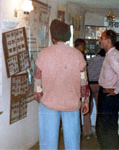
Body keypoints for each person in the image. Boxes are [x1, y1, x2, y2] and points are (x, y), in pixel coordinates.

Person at [33, 19, 90, 150]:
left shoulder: (43, 54)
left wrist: (40, 97)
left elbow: (37, 83)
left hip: (48, 104)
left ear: (52, 37)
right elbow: (83, 82)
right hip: (71, 104)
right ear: (67, 36)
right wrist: (85, 100)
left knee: (48, 142)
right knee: (73, 141)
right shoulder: (78, 55)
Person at [96, 30, 119, 149]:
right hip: (109, 95)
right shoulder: (114, 54)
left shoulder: (112, 56)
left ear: (108, 41)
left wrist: (115, 90)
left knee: (107, 129)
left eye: (102, 38)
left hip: (108, 96)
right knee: (107, 127)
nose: (100, 40)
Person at [84, 48, 105, 138]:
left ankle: (87, 131)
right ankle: (98, 131)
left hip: (89, 84)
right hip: (99, 85)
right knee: (99, 109)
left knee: (87, 108)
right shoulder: (106, 60)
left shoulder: (92, 59)